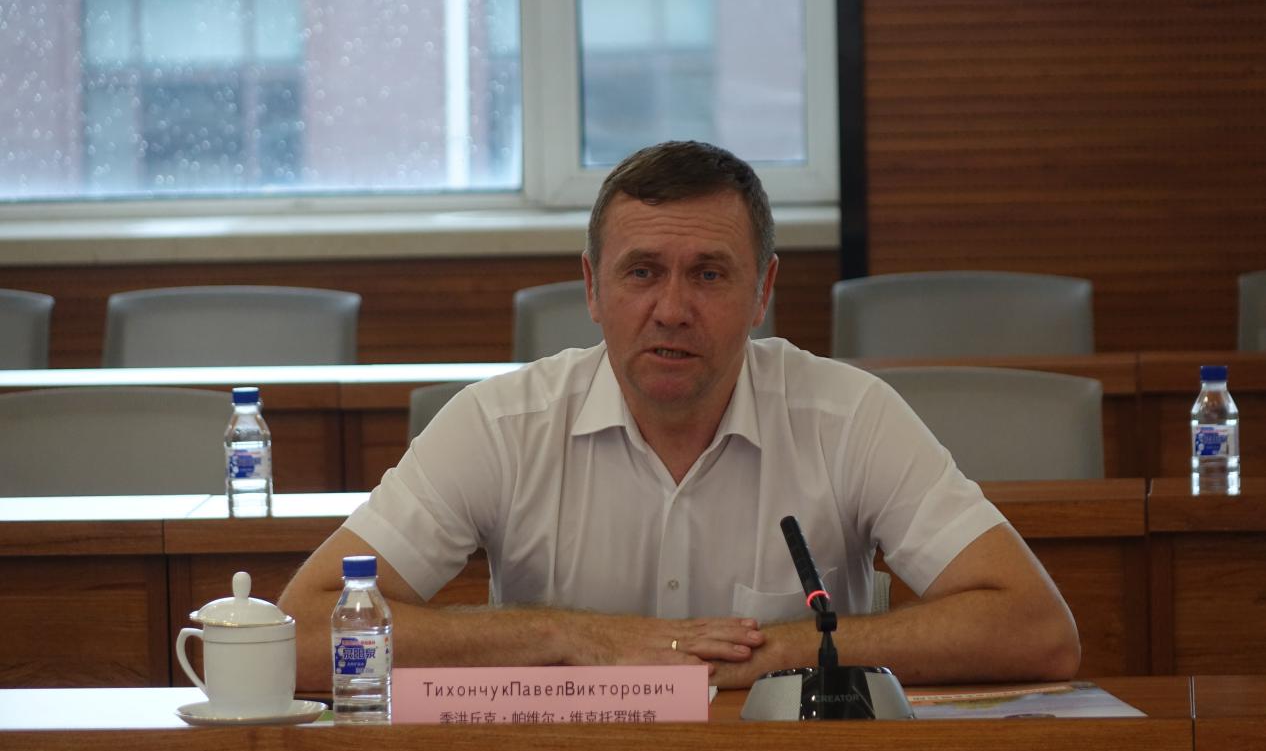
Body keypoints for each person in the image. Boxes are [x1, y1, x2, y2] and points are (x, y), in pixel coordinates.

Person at [280, 140, 1080, 692]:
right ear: (592, 289)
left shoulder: (849, 416)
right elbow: (303, 634)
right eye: (641, 273)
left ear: (763, 292)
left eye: (708, 274)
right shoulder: (500, 425)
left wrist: (780, 652)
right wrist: (574, 637)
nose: (671, 309)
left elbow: (1036, 628)